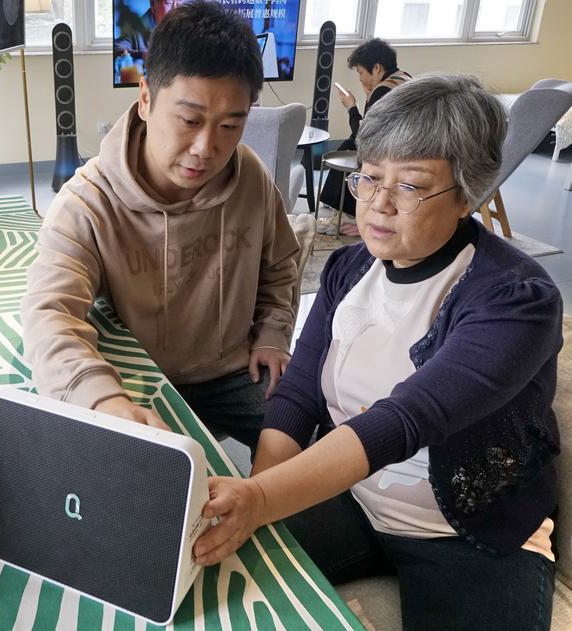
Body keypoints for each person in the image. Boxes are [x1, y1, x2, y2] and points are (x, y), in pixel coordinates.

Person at [193, 74, 562, 630]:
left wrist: (262, 501)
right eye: (369, 178)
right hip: (353, 501)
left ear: (467, 194)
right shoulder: (350, 268)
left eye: (411, 186)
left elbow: (407, 418)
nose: (378, 205)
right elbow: (298, 394)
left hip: (469, 539)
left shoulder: (516, 299)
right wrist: (260, 493)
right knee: (203, 575)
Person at [22, 0, 300, 451]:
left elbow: (281, 264)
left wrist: (273, 333)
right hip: (138, 377)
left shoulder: (249, 175)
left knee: (309, 448)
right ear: (146, 99)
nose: (206, 148)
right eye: (189, 120)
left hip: (234, 372)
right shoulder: (87, 202)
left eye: (231, 125)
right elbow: (49, 315)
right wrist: (103, 399)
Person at [320, 38, 411, 235]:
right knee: (348, 143)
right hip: (406, 146)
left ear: (377, 68)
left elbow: (363, 135)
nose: (360, 77)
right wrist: (369, 97)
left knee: (349, 146)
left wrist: (351, 106)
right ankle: (340, 206)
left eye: (361, 72)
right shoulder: (403, 78)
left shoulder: (383, 91)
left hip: (392, 153)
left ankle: (349, 214)